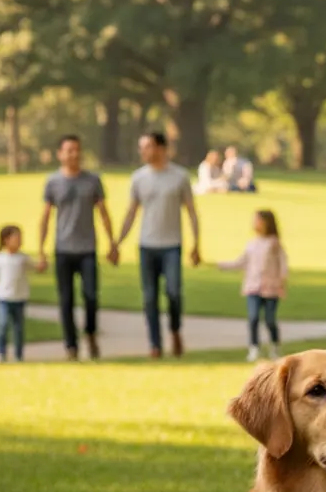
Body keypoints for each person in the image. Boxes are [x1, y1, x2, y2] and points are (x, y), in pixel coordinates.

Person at [115, 131, 201, 358]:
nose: (143, 151)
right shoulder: (138, 178)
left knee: (173, 293)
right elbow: (131, 213)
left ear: (162, 148)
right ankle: (155, 344)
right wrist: (117, 243)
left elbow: (191, 211)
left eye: (148, 146)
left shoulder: (180, 176)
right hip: (147, 245)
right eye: (141, 147)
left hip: (172, 245)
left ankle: (175, 330)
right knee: (150, 297)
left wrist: (196, 244)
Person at [38, 134, 116, 361]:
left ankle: (90, 334)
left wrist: (112, 243)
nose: (74, 154)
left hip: (87, 249)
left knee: (91, 296)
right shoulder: (53, 182)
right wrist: (41, 250)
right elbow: (45, 217)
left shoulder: (92, 180)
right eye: (69, 150)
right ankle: (71, 346)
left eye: (77, 150)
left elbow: (103, 213)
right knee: (66, 301)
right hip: (63, 249)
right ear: (60, 154)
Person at [217, 209, 288, 362]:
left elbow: (283, 265)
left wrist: (282, 282)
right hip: (253, 287)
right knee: (253, 318)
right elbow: (241, 262)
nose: (254, 223)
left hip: (271, 288)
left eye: (257, 220)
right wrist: (221, 265)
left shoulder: (274, 243)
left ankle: (275, 346)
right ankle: (254, 348)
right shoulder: (252, 244)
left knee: (270, 320)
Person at [0, 225, 40, 363]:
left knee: (18, 329)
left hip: (19, 298)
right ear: (6, 240)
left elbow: (35, 268)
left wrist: (42, 264)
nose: (19, 241)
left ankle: (18, 355)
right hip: (3, 298)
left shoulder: (23, 258)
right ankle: (1, 353)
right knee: (2, 325)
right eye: (16, 238)